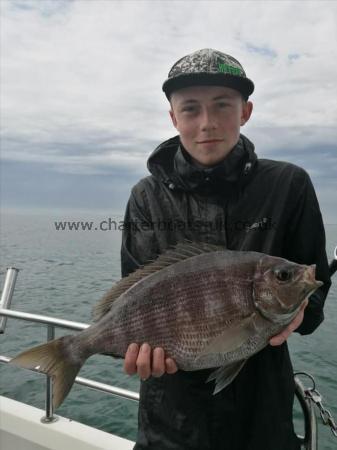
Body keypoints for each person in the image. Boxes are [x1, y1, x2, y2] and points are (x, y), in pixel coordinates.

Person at [120, 48, 331, 450]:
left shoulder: (289, 185)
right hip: (169, 425)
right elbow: (135, 298)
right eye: (191, 109)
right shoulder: (145, 197)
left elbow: (314, 294)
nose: (207, 123)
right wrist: (137, 351)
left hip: (263, 423)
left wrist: (302, 310)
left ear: (246, 111)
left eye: (222, 106)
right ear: (173, 117)